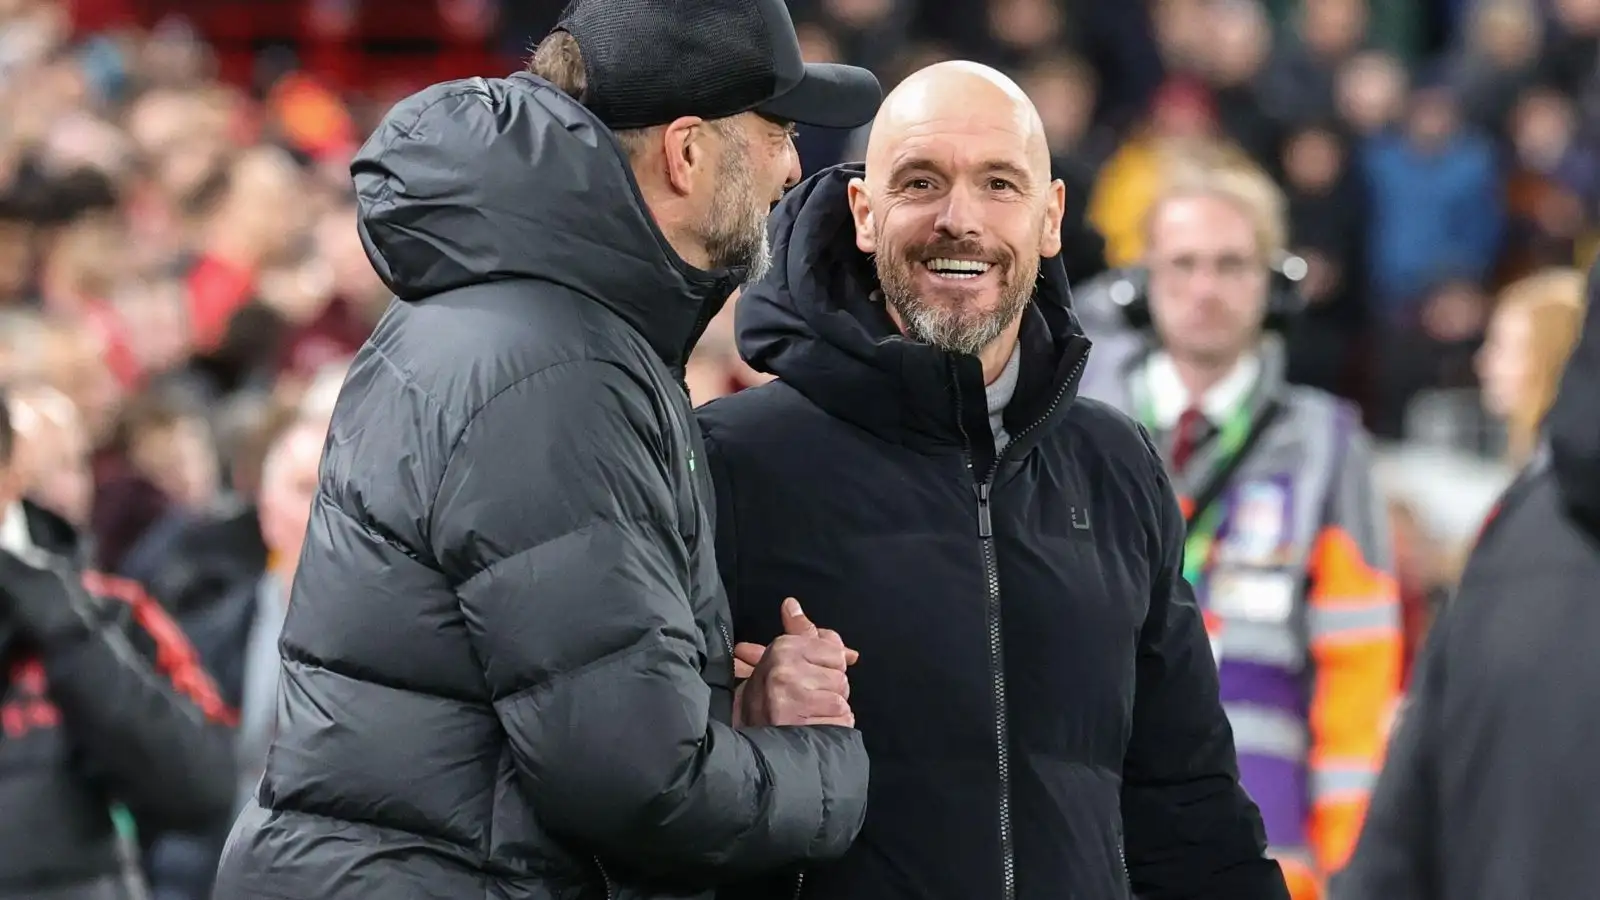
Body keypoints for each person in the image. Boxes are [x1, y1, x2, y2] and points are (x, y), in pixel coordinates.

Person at [211, 2, 883, 899]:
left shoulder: (534, 322)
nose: (792, 166)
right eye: (776, 132)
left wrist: (724, 710)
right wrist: (822, 762)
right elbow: (637, 784)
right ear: (687, 153)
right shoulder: (557, 371)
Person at [698, 61, 1288, 900]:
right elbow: (644, 784)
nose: (960, 219)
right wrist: (743, 731)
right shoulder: (728, 459)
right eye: (921, 181)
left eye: (999, 184)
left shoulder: (1119, 467)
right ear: (864, 214)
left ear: (1050, 218)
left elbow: (1188, 806)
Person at [1076, 153, 1402, 900]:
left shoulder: (1329, 444)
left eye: (1231, 265)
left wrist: (1346, 859)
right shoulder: (1074, 426)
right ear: (1138, 285)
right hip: (1094, 828)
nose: (1204, 290)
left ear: (1277, 283)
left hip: (1265, 843)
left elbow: (1361, 663)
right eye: (1182, 264)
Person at [1331, 261, 1600, 900]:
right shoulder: (1523, 525)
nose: (1484, 364)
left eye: (1504, 346)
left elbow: (1402, 832)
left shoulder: (1521, 533)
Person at [0, 384, 237, 900]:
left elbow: (205, 785)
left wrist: (66, 629)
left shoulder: (109, 608)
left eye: (70, 466)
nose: (62, 488)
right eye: (48, 470)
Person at [1474, 267, 1586, 467]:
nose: (1482, 363)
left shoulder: (1568, 480)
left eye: (1502, 347)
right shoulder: (1541, 462)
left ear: (1551, 359)